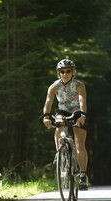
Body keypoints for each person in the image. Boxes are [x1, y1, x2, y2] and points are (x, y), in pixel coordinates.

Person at [42, 59, 88, 190]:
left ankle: (83, 175)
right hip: (62, 110)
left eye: (68, 71)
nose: (65, 74)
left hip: (77, 111)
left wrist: (83, 115)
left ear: (73, 72)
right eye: (62, 71)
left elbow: (82, 100)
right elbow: (48, 102)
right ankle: (59, 154)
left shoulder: (79, 85)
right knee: (58, 126)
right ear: (59, 73)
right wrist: (46, 117)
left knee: (79, 144)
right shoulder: (54, 86)